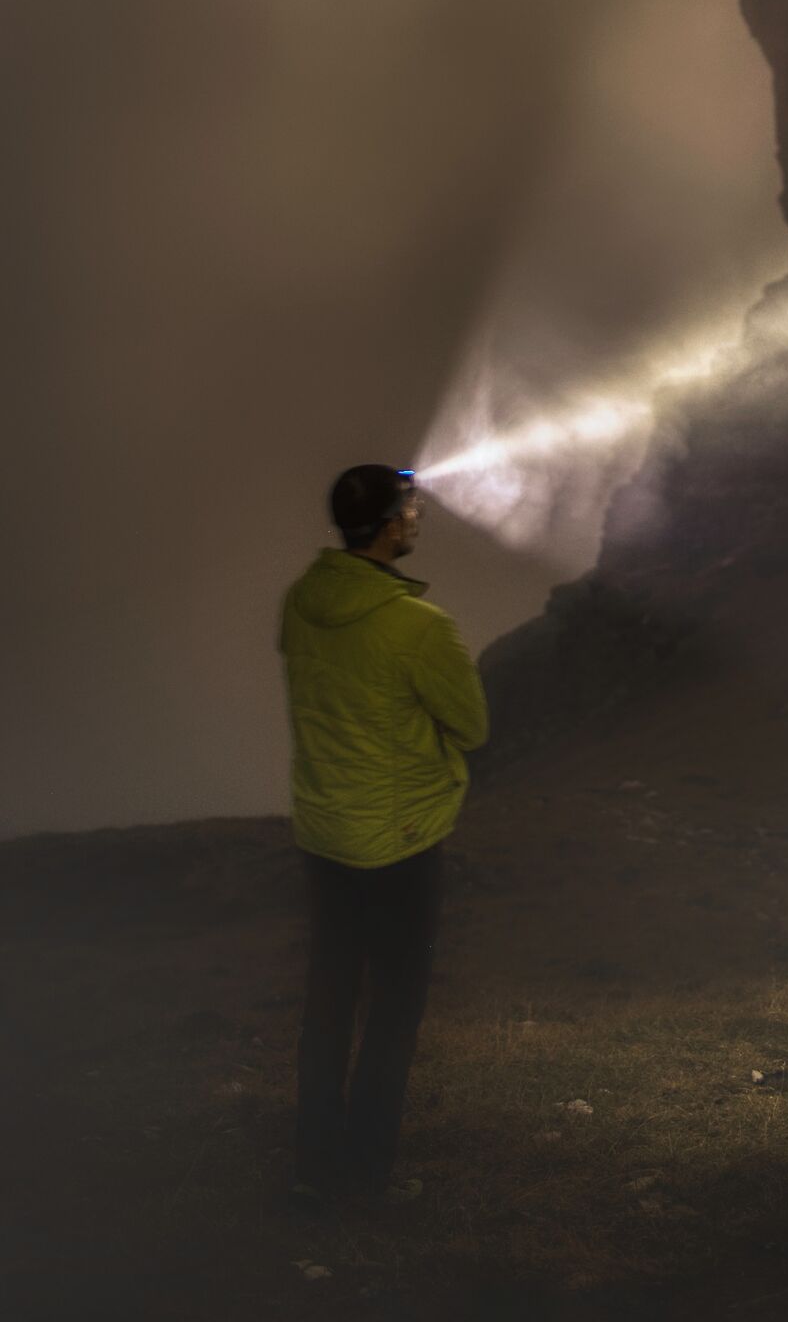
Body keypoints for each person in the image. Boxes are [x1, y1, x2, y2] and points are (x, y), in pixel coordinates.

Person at [278, 462, 488, 1203]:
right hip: (400, 840)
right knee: (394, 1010)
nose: (419, 519)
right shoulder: (418, 627)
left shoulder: (300, 604)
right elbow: (471, 724)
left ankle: (315, 1163)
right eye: (412, 509)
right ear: (393, 524)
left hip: (325, 832)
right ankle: (365, 1177)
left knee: (329, 1001)